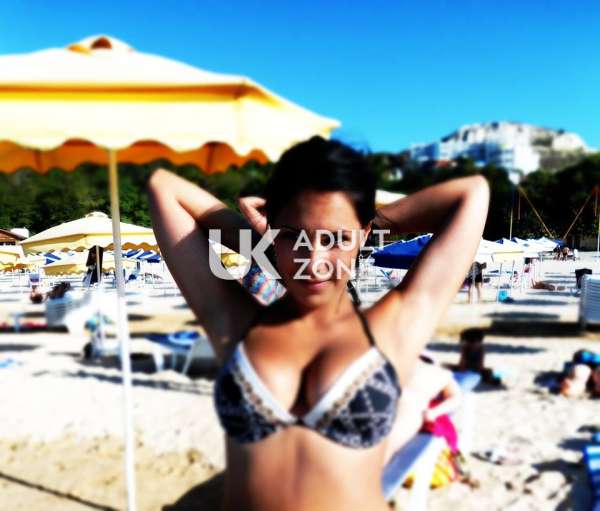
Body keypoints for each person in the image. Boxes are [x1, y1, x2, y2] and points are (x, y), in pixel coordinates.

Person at [148, 136, 489, 511]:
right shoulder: (235, 320)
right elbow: (164, 187)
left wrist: (362, 224)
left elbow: (472, 193)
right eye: (294, 238)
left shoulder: (393, 326)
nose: (315, 262)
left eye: (336, 239)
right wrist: (261, 243)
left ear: (364, 235)